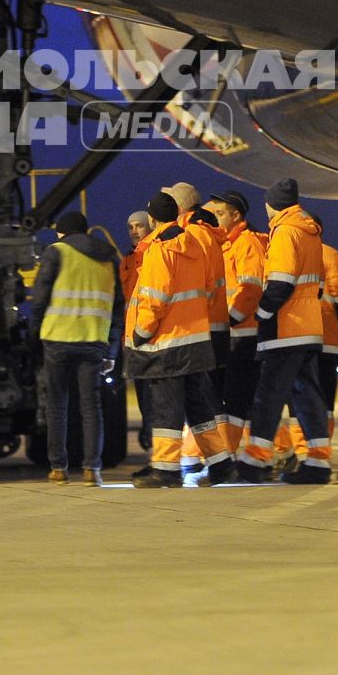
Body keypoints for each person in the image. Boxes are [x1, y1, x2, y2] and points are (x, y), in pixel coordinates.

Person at [126, 192, 224, 488]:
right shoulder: (192, 243)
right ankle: (222, 464)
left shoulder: (160, 249)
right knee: (199, 407)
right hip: (194, 341)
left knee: (166, 408)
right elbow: (207, 288)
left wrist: (141, 332)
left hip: (167, 344)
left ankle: (166, 470)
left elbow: (156, 298)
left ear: (153, 219)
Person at [238, 179, 330, 483]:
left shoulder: (285, 231)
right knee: (307, 397)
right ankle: (317, 463)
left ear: (272, 204)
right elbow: (315, 284)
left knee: (268, 395)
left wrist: (263, 314)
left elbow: (280, 282)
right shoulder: (310, 232)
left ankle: (255, 461)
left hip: (286, 327)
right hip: (308, 326)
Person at [23, 210, 123, 487]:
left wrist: (34, 333)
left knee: (57, 405)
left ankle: (58, 468)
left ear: (61, 232)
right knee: (91, 407)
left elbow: (40, 296)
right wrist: (111, 350)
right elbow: (117, 307)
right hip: (93, 340)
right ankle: (93, 469)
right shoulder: (108, 257)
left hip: (58, 338)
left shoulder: (57, 252)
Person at [163, 181, 232, 481]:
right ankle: (218, 462)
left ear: (179, 209)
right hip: (210, 324)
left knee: (205, 399)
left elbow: (190, 282)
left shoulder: (193, 234)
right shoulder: (205, 232)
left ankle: (220, 462)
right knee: (203, 398)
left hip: (200, 327)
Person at [270, 238, 338, 475]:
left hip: (294, 339)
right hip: (327, 340)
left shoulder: (283, 251)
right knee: (323, 404)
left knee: (295, 401)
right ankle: (318, 454)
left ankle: (300, 452)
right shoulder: (330, 254)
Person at [205, 190, 265, 462]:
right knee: (238, 398)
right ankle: (254, 453)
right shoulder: (228, 243)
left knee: (238, 398)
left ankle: (232, 455)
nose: (215, 219)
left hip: (244, 333)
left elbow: (251, 289)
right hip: (233, 332)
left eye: (220, 214)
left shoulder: (246, 243)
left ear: (236, 215)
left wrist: (230, 320)